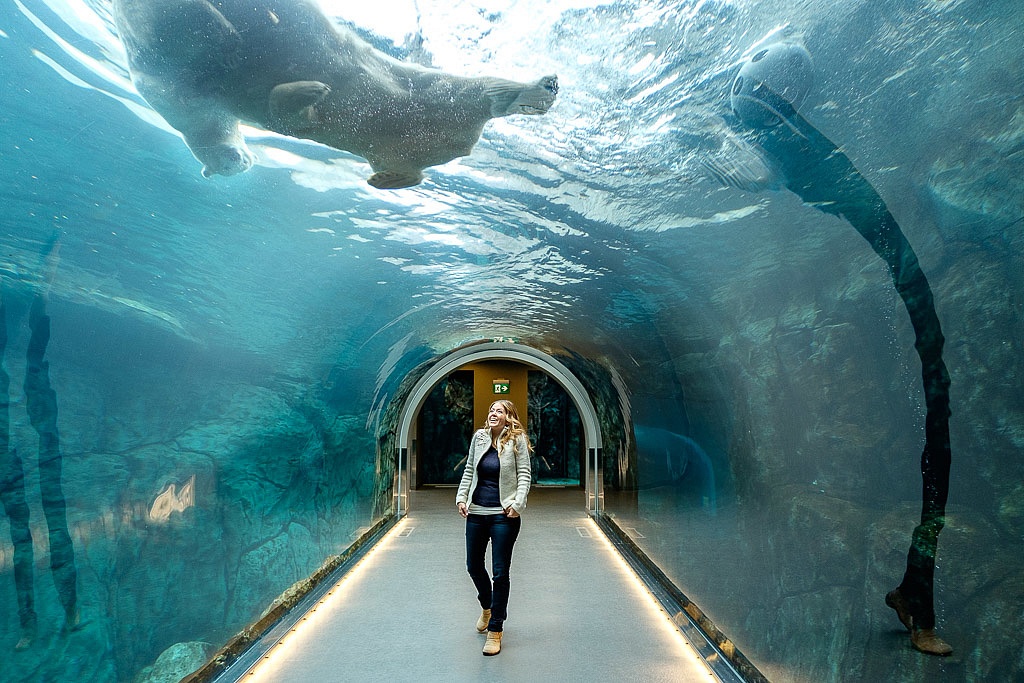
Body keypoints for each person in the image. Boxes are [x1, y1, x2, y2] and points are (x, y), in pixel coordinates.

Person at [455, 399, 532, 656]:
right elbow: (469, 470)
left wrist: (517, 504)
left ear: (508, 416)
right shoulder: (479, 438)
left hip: (503, 516)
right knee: (473, 566)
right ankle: (487, 607)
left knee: (500, 573)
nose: (492, 413)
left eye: (498, 410)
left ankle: (496, 629)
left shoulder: (516, 440)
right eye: (491, 410)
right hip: (477, 512)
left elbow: (524, 475)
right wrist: (462, 497)